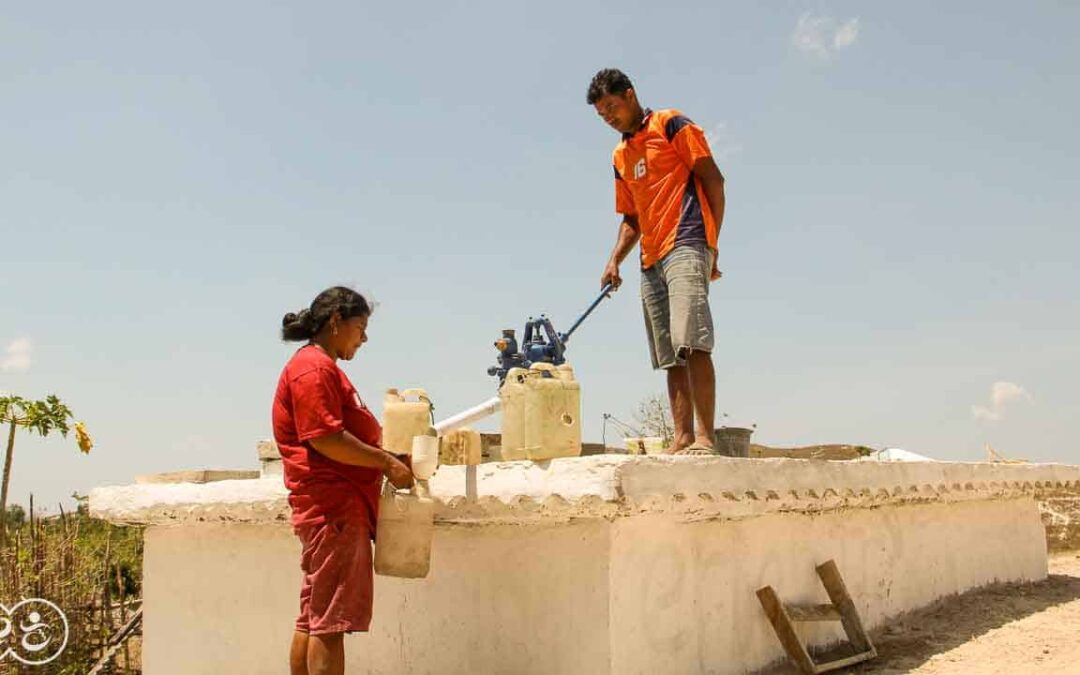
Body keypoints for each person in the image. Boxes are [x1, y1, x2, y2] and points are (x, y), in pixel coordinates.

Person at [272, 286, 414, 675]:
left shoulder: (320, 367)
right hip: (332, 507)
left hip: (327, 509)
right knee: (330, 625)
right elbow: (326, 439)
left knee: (314, 618)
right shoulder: (314, 369)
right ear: (336, 322)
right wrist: (387, 463)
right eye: (360, 327)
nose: (364, 337)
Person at [588, 68, 727, 455]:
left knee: (693, 342)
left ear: (630, 95)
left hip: (686, 241)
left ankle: (704, 438)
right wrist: (614, 259)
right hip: (649, 259)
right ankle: (681, 438)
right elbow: (630, 216)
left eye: (612, 107)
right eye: (602, 115)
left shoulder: (671, 125)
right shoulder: (620, 155)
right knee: (669, 355)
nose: (609, 117)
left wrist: (710, 246)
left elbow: (714, 180)